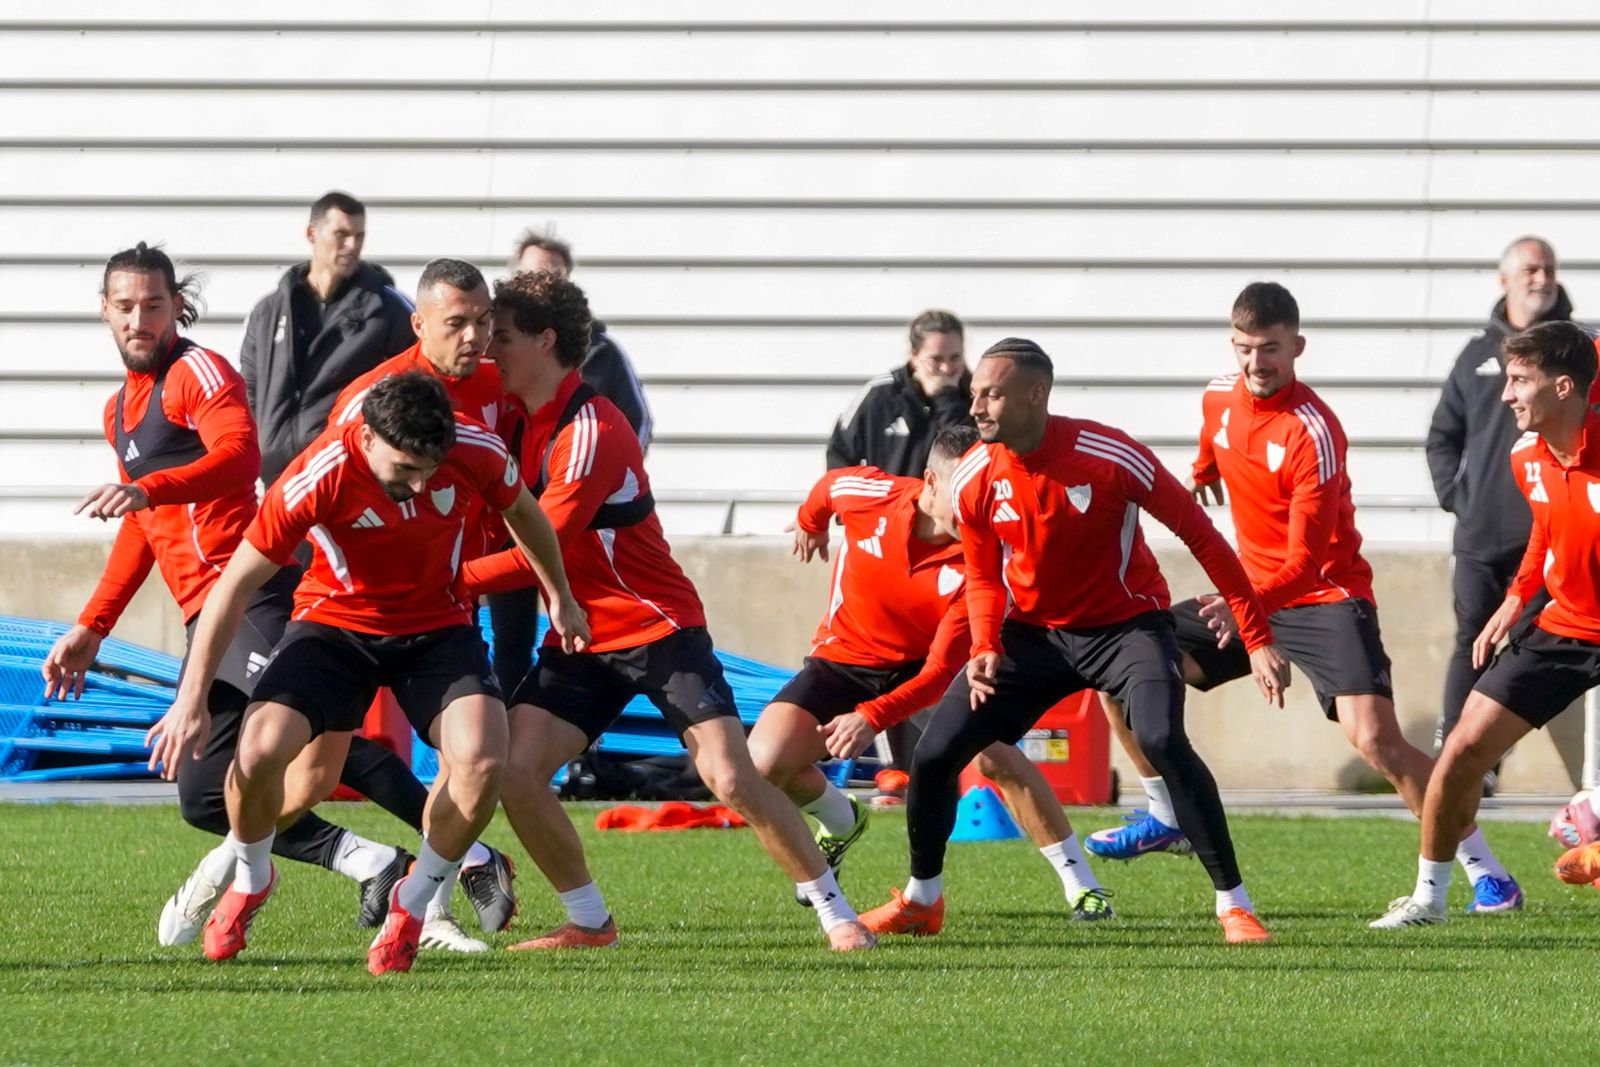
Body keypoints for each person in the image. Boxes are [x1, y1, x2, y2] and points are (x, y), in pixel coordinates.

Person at [40, 244, 508, 954]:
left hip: (257, 590)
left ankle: (460, 864)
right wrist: (93, 624)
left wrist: (151, 488)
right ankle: (370, 862)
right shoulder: (121, 409)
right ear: (103, 308)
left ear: (178, 305)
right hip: (212, 606)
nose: (141, 318)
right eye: (127, 305)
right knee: (210, 788)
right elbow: (145, 524)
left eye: (155, 304)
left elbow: (236, 455)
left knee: (306, 748)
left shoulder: (196, 373)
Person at [459, 270, 875, 951]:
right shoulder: (514, 415)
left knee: (729, 775)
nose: (486, 350)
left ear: (545, 339)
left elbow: (548, 545)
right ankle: (590, 922)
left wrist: (442, 578)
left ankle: (837, 914)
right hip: (580, 636)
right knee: (516, 770)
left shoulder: (591, 426)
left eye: (500, 336)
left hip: (655, 626)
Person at [1088, 283, 1523, 916]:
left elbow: (1305, 562)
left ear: (1297, 347)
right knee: (1123, 671)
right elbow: (1215, 440)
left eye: (1269, 349)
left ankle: (1489, 874)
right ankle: (1165, 814)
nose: (1254, 364)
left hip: (1323, 596)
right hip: (1249, 594)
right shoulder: (1217, 397)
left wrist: (1248, 611)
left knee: (1377, 741)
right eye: (1243, 349)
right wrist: (1204, 469)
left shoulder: (1312, 433)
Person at [146, 371, 587, 974]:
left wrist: (558, 593)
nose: (422, 482)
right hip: (336, 625)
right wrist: (191, 698)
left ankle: (414, 899)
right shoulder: (318, 473)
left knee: (484, 760)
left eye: (430, 467)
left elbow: (528, 516)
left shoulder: (473, 447)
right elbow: (231, 589)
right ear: (368, 437)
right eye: (406, 468)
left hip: (438, 628)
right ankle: (251, 879)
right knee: (258, 751)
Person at [859, 338, 1291, 944]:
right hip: (1031, 637)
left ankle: (1235, 907)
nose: (976, 404)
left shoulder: (1109, 454)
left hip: (1126, 629)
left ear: (1036, 396)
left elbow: (1203, 537)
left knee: (1163, 738)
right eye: (976, 391)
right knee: (933, 757)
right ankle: (921, 901)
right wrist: (985, 643)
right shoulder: (977, 475)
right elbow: (984, 575)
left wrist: (1257, 632)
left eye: (991, 393)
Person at [748, 426, 1114, 922]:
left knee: (992, 756)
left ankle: (1082, 886)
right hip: (844, 658)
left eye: (983, 491)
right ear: (931, 482)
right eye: (964, 492)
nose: (975, 507)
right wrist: (809, 522)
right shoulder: (869, 496)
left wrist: (872, 717)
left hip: (924, 670)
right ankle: (839, 817)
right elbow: (829, 487)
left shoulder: (983, 559)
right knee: (762, 764)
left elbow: (942, 671)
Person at [1376, 322, 1600, 924]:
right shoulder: (1526, 455)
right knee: (1460, 751)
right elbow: (1547, 533)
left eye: (1520, 380)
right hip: (1567, 624)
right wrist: (1516, 597)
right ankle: (1430, 899)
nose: (1506, 395)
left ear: (1563, 388)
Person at [1425, 237, 1568, 791]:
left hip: (1551, 532)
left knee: (1534, 641)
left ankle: (1491, 753)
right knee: (1473, 640)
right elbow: (1442, 438)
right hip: (1481, 535)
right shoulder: (1476, 355)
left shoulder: (1577, 351)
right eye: (1530, 269)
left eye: (1549, 269)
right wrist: (1459, 497)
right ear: (1503, 280)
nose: (1541, 278)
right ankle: (1457, 753)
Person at [824, 309, 973, 784]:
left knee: (939, 659)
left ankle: (950, 762)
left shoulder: (972, 397)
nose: (948, 368)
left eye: (955, 358)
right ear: (913, 356)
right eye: (937, 360)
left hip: (950, 547)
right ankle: (894, 767)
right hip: (885, 540)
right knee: (883, 651)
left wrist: (948, 401)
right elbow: (838, 461)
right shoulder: (880, 396)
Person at [241, 191, 416, 488]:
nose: (352, 245)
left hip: (344, 478)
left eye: (359, 236)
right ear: (312, 233)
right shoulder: (268, 311)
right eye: (341, 234)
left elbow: (414, 386)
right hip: (275, 481)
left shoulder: (388, 309)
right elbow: (249, 390)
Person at [512, 230, 652, 445]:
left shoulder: (602, 353)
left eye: (551, 279)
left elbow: (637, 422)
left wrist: (612, 473)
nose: (537, 288)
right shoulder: (490, 346)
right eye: (529, 276)